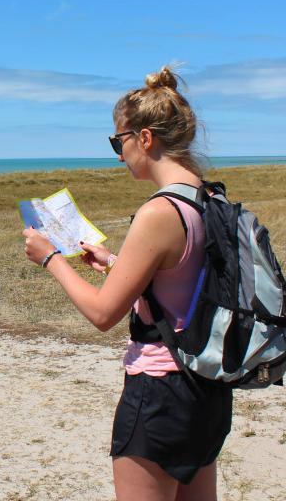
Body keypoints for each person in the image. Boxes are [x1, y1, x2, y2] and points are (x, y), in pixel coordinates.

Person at [23, 66, 232, 501]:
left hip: (159, 392)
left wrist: (51, 259)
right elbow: (187, 279)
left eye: (119, 142)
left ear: (145, 139)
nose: (119, 155)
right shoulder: (211, 198)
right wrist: (117, 261)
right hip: (207, 388)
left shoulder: (159, 211)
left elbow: (102, 314)